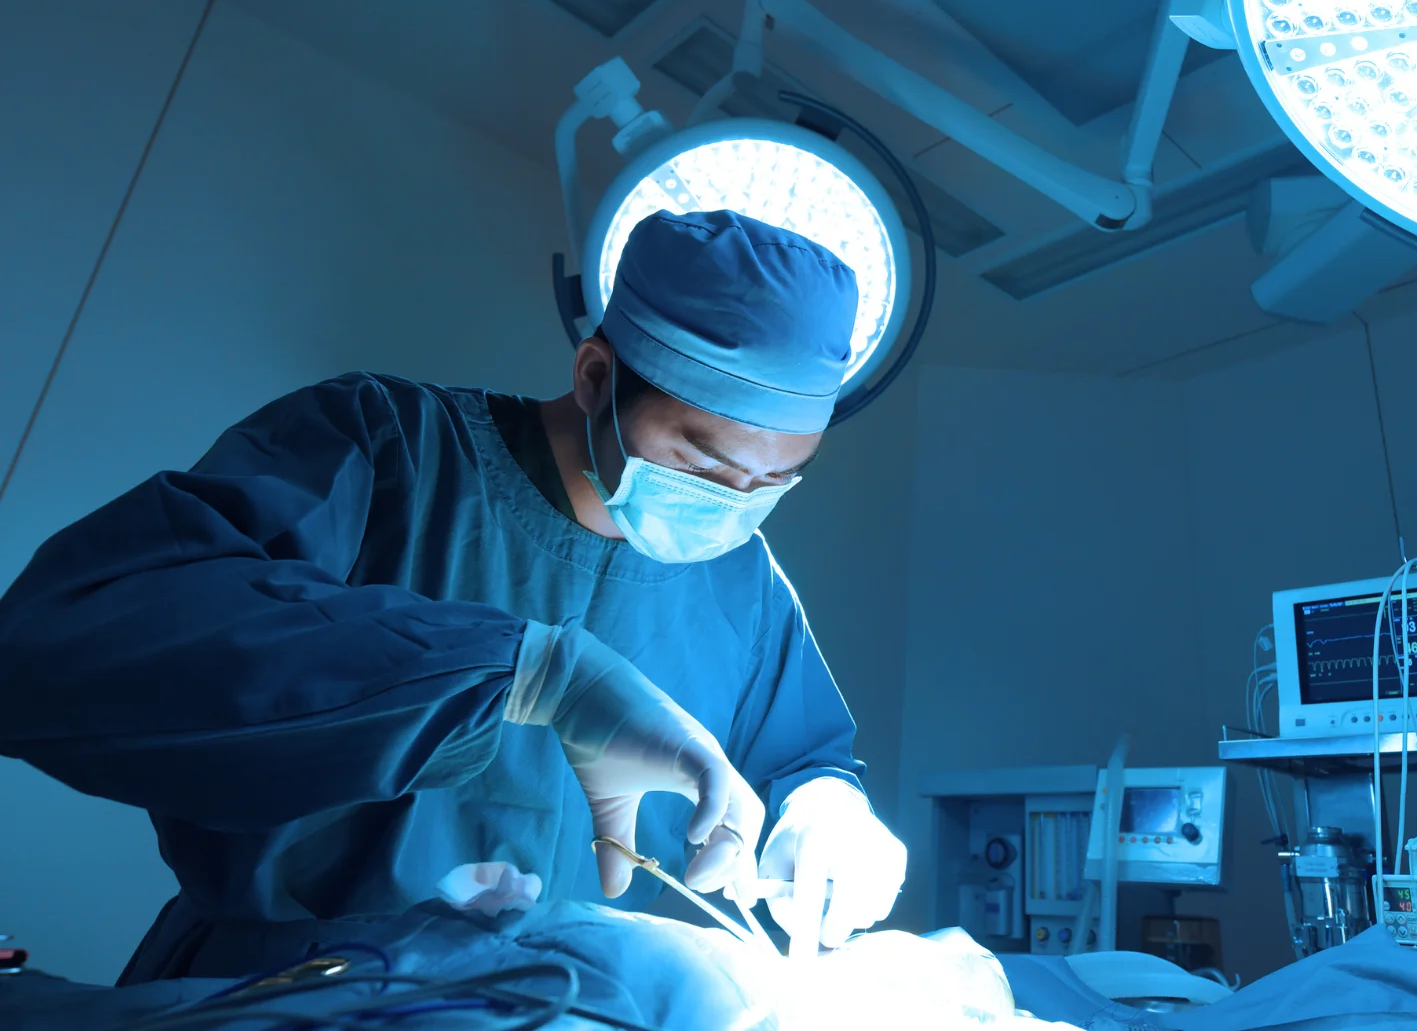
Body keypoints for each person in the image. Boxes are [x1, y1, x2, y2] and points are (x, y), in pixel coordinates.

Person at [0, 209, 907, 981]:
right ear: (596, 378)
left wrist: (825, 808)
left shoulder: (746, 586)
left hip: (576, 1007)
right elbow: (67, 644)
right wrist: (520, 675)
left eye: (775, 481)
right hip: (289, 995)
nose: (732, 505)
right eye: (699, 460)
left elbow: (797, 754)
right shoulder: (385, 448)